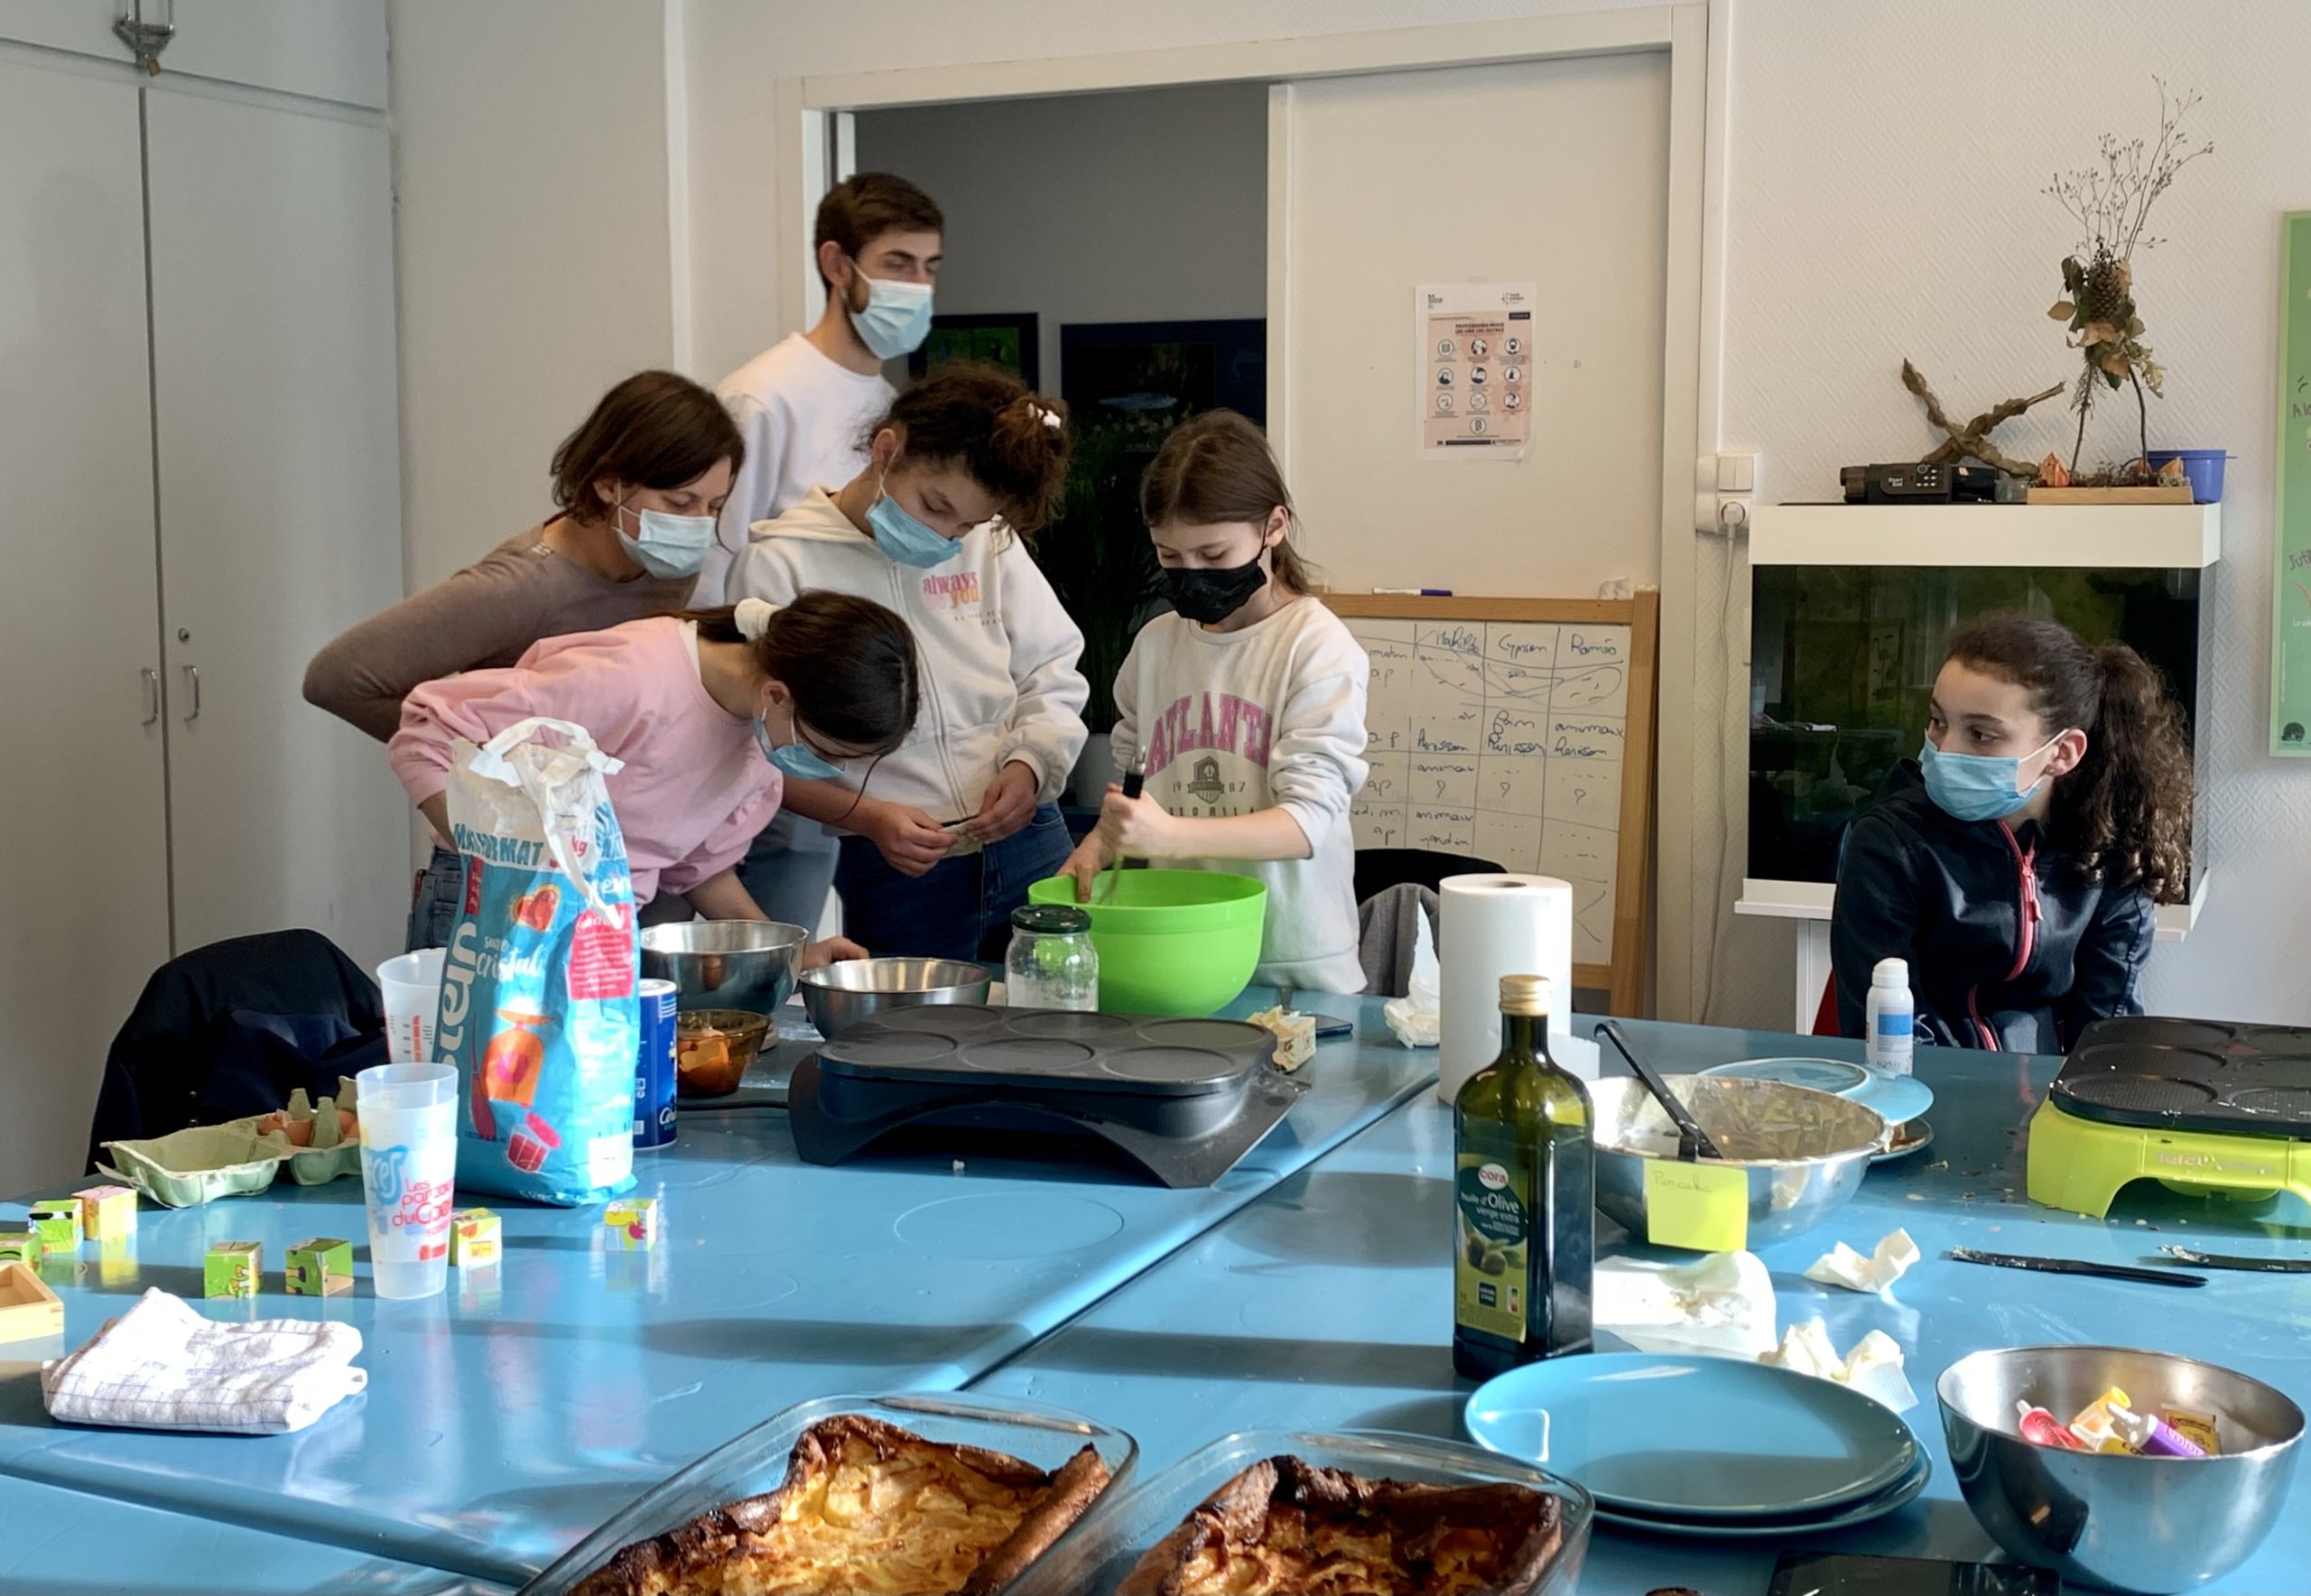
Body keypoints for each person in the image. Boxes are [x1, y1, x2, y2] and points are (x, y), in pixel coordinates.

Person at [305, 370, 744, 950]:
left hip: (601, 878)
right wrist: (489, 771)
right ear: (610, 485)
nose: (697, 528)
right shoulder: (522, 587)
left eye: (714, 506)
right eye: (678, 503)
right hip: (504, 882)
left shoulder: (666, 568)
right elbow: (338, 678)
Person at [729, 365, 1086, 962]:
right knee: (917, 1042)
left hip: (1030, 838)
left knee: (1056, 1024)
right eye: (935, 505)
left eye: (967, 523)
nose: (946, 536)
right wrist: (866, 816)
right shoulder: (780, 564)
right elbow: (757, 749)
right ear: (887, 449)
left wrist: (1032, 764)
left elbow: (1052, 669)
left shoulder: (989, 543)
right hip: (893, 861)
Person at [385, 595, 918, 966]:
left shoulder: (757, 743)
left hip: (594, 933)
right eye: (825, 751)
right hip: (491, 906)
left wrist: (787, 954)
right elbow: (429, 731)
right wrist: (503, 866)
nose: (828, 770)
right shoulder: (637, 678)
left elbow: (699, 865)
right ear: (777, 695)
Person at [1057, 411, 1370, 994]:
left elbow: (1306, 825)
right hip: (1183, 946)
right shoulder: (1156, 645)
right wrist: (1102, 841)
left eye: (1213, 553)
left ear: (1273, 527)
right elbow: (1136, 784)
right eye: (1170, 557)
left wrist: (1168, 837)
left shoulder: (1316, 646)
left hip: (1293, 962)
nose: (1191, 575)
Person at [706, 172, 945, 934]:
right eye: (899, 263)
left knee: (805, 949)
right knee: (747, 965)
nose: (918, 284)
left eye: (930, 268)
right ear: (837, 265)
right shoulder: (764, 398)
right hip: (765, 722)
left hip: (847, 728)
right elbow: (714, 570)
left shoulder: (888, 405)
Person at [1830, 612, 2194, 1053]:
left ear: (2062, 753)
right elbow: (1889, 1030)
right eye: (1938, 721)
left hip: (2046, 1094)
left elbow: (2105, 1028)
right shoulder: (1889, 842)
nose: (1945, 750)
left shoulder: (2108, 845)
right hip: (1926, 1093)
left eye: (1981, 735)